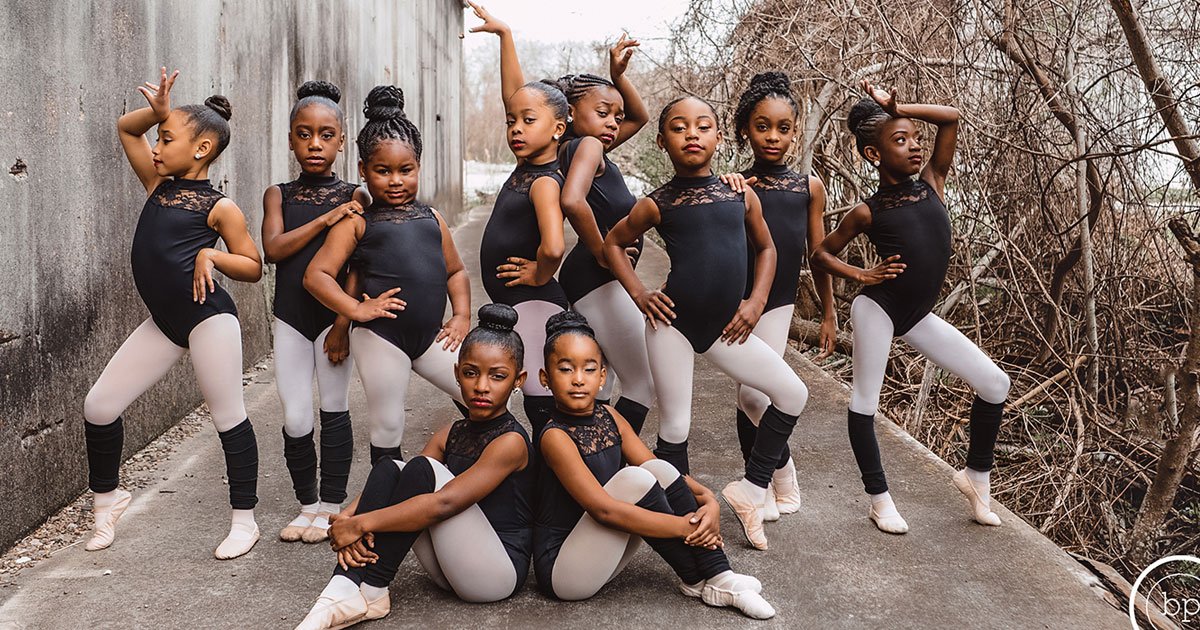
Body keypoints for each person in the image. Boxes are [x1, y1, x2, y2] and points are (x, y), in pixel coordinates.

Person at [602, 96, 810, 550]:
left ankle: (752, 490)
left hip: (726, 326)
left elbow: (768, 249)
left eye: (702, 126)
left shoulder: (739, 192)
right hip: (671, 324)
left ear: (718, 137)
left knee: (793, 393)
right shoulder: (657, 203)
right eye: (679, 128)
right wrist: (640, 293)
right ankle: (684, 530)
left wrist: (755, 301)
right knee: (675, 427)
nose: (691, 134)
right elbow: (612, 244)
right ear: (661, 142)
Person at [810, 80, 1011, 533]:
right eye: (899, 140)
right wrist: (862, 277)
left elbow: (952, 116)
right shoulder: (868, 211)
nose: (915, 146)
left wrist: (900, 107)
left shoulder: (933, 184)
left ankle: (976, 479)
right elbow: (820, 253)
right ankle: (879, 499)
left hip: (917, 314)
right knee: (865, 402)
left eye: (916, 138)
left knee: (995, 383)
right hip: (877, 308)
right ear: (873, 155)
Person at [84, 67, 263, 559]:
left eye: (166, 138)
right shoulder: (157, 183)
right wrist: (159, 111)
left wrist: (212, 255)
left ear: (201, 149)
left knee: (228, 417)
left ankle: (244, 522)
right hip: (166, 322)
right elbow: (127, 127)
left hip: (209, 319)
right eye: (158, 139)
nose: (156, 146)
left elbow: (253, 266)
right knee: (98, 407)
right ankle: (108, 502)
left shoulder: (221, 208)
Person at [294, 304, 535, 630]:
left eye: (497, 376)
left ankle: (372, 587)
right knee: (392, 467)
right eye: (470, 373)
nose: (481, 386)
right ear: (456, 373)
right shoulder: (452, 432)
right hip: (450, 569)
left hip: (495, 575)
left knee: (422, 470)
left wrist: (362, 523)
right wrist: (347, 517)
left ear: (517, 380)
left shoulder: (511, 442)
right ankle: (349, 587)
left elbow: (443, 502)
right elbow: (401, 481)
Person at [533, 310, 774, 619]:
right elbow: (603, 510)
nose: (578, 379)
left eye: (588, 369)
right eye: (566, 369)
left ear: (602, 376)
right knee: (635, 479)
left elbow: (661, 470)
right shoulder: (554, 436)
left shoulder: (610, 417)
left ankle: (715, 576)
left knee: (655, 469)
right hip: (565, 571)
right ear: (545, 378)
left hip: (603, 556)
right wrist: (690, 526)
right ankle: (706, 578)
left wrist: (709, 502)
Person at [304, 85, 469, 465]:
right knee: (389, 423)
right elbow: (317, 276)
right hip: (382, 338)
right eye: (383, 171)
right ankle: (387, 504)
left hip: (431, 338)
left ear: (418, 168)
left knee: (482, 395)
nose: (395, 181)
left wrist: (461, 314)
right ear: (363, 171)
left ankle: (467, 471)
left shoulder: (433, 219)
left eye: (405, 170)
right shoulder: (357, 224)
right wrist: (354, 312)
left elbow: (457, 271)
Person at [263, 80, 368, 544]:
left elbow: (359, 268)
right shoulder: (278, 194)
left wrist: (344, 323)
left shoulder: (357, 194)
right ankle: (305, 505)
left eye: (326, 135)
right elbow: (273, 249)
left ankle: (330, 506)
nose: (315, 144)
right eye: (304, 134)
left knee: (334, 409)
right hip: (289, 318)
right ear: (290, 139)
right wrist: (326, 219)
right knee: (295, 418)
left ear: (342, 141)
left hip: (332, 324)